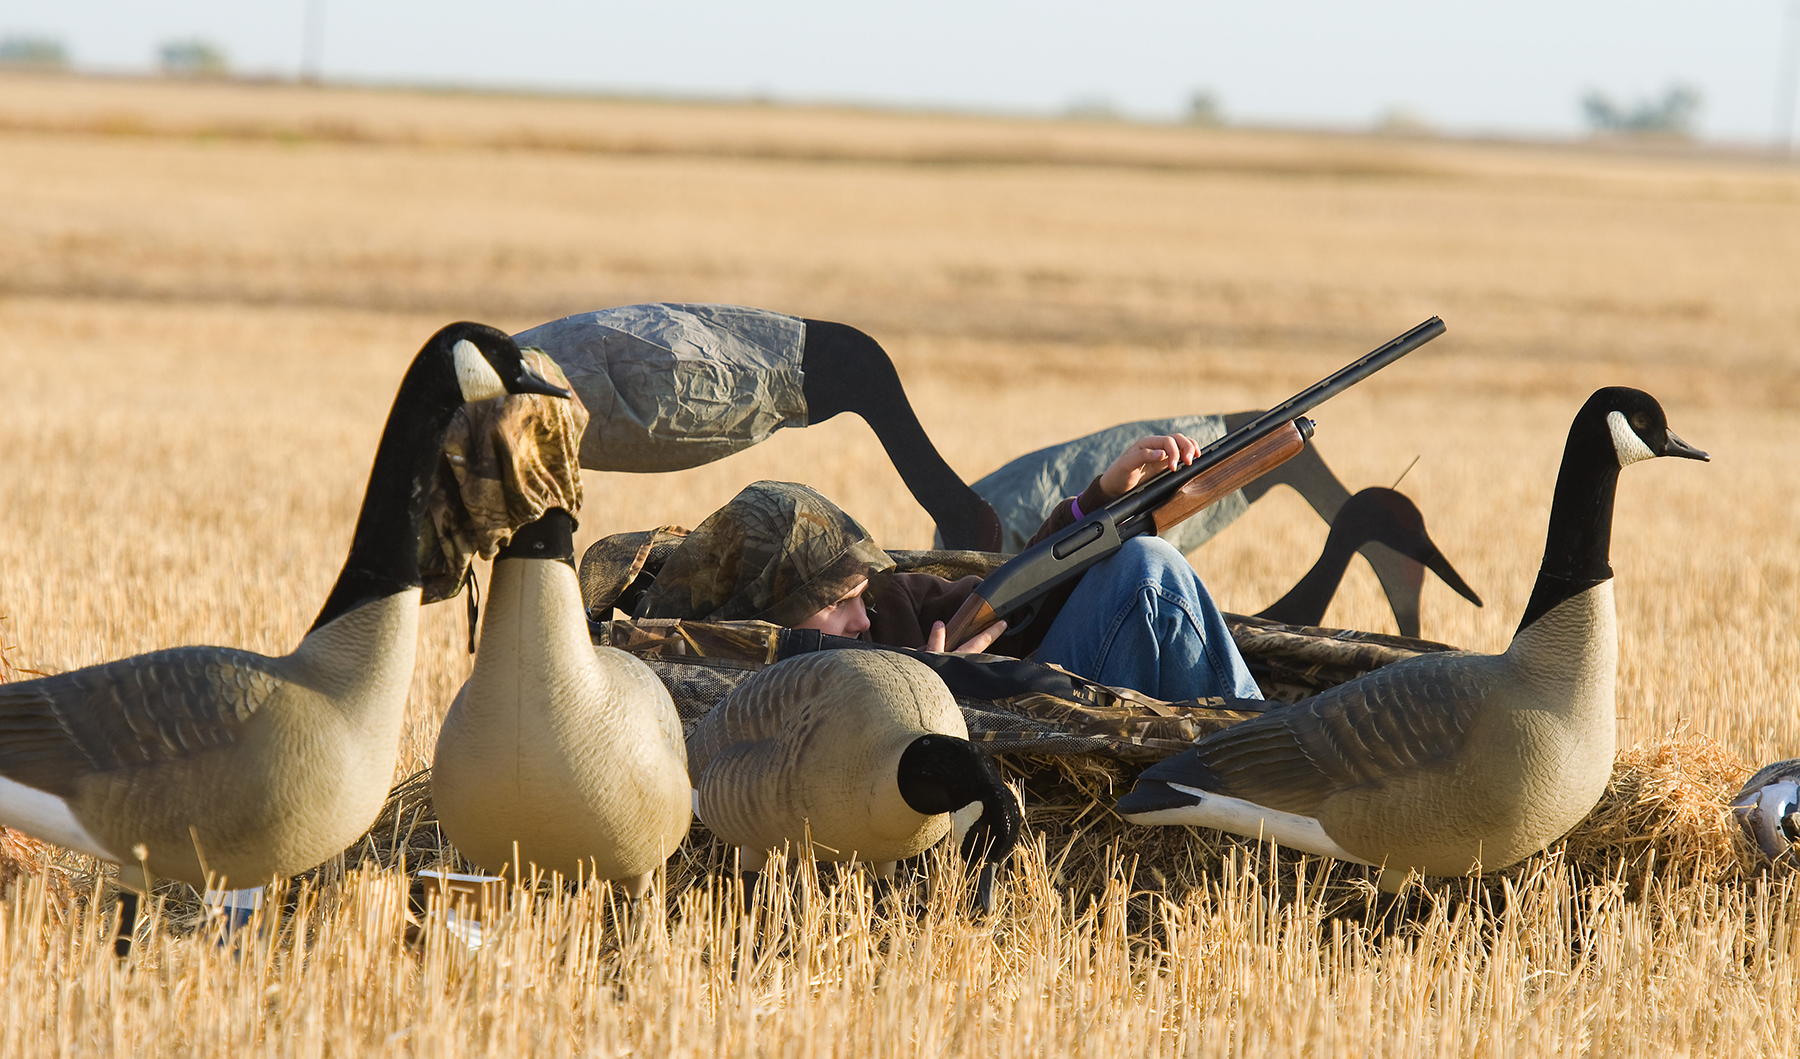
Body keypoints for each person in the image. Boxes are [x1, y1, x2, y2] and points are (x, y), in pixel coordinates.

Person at [635, 435, 1261, 703]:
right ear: (771, 617)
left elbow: (1017, 594)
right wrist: (936, 690)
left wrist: (1100, 500)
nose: (862, 618)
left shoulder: (894, 607)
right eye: (835, 602)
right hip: (1029, 781)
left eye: (859, 594)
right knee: (1149, 573)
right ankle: (1266, 753)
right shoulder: (745, 695)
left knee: (1137, 563)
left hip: (1060, 707)